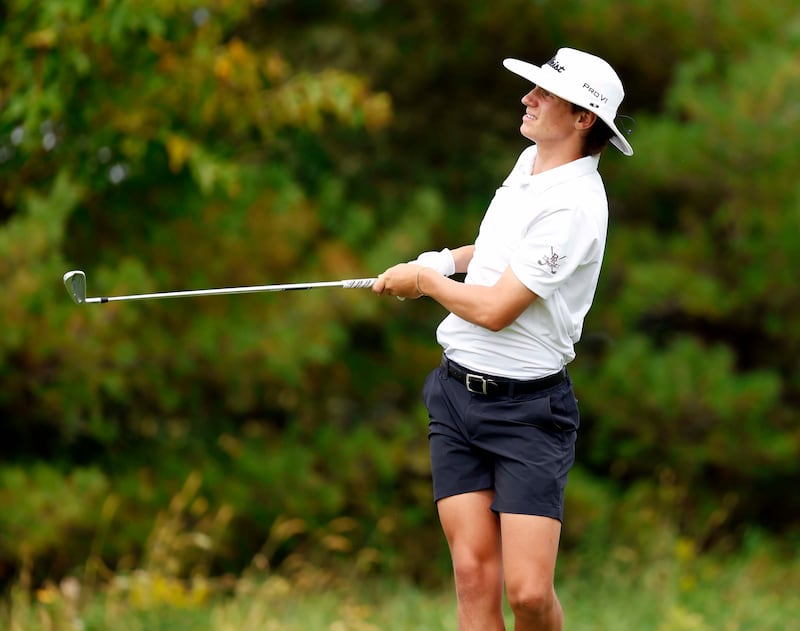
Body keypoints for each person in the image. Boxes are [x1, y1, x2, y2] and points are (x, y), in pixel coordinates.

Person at [373, 47, 633, 630]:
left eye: (543, 94)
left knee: (530, 595)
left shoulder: (577, 207)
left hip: (528, 413)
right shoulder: (530, 162)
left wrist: (426, 281)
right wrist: (445, 258)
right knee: (472, 575)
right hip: (455, 395)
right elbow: (495, 254)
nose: (527, 98)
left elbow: (495, 309)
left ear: (583, 118)